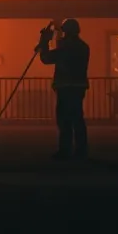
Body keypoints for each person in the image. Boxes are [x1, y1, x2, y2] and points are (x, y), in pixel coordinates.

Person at [37, 18, 91, 160]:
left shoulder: (65, 48)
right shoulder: (83, 47)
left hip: (65, 87)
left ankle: (65, 150)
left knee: (64, 120)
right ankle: (81, 150)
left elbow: (46, 59)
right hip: (78, 87)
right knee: (77, 118)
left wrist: (44, 42)